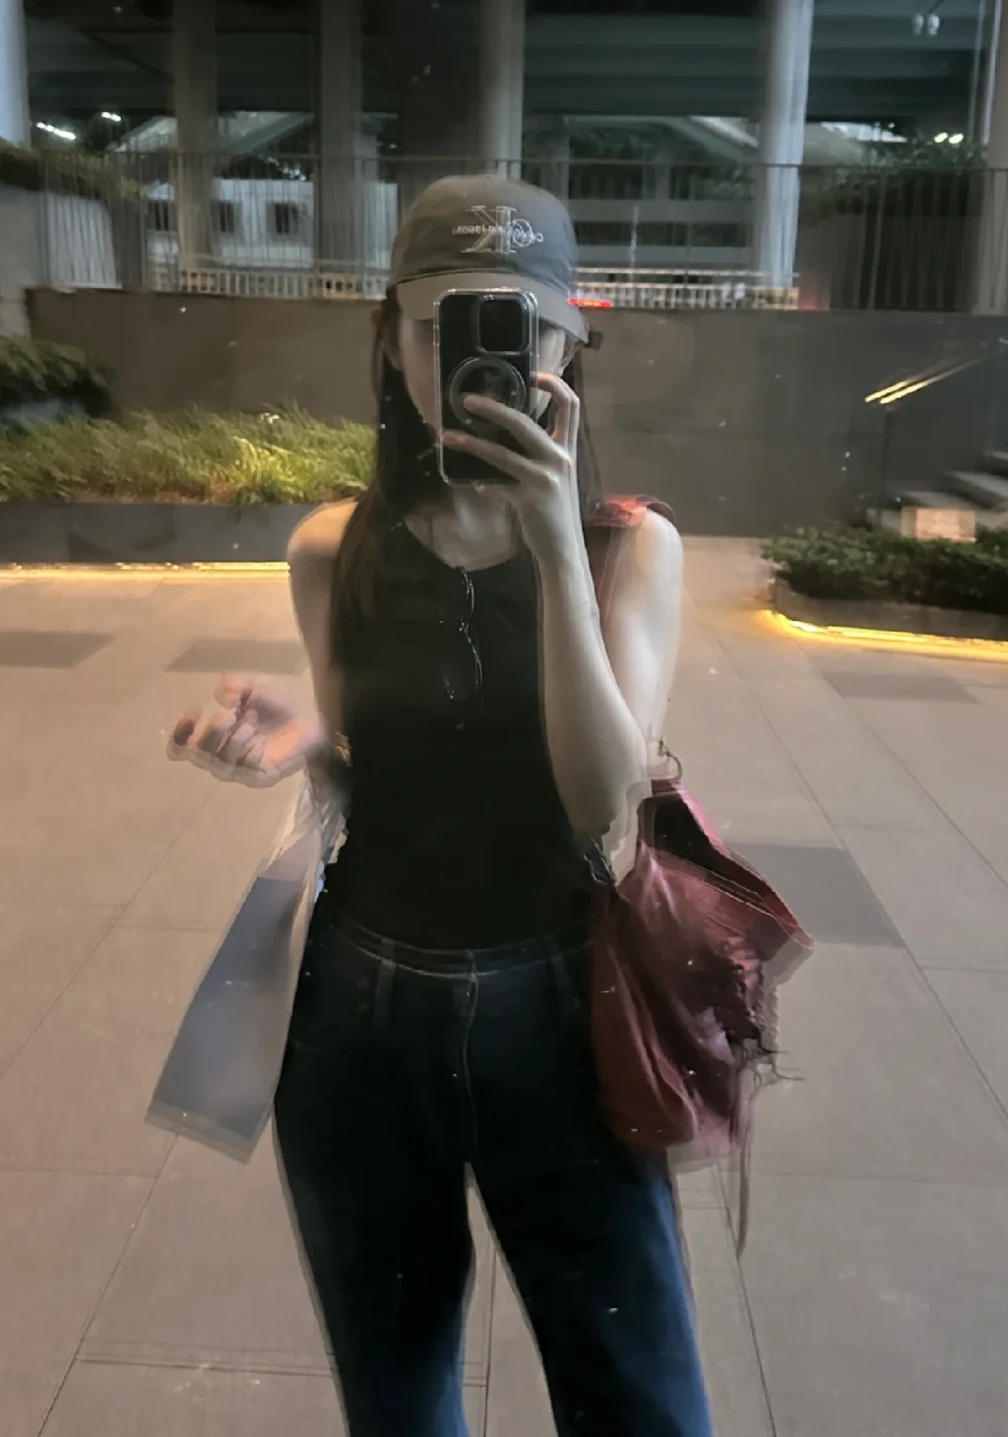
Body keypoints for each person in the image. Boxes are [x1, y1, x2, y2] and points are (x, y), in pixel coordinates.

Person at [170, 175, 713, 1437]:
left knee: (641, 1400)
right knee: (398, 1393)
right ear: (391, 340)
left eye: (519, 325)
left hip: (563, 1011)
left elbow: (602, 801)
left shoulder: (631, 547)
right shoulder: (334, 545)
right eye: (442, 323)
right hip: (361, 1017)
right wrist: (311, 743)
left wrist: (554, 545)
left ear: (570, 346)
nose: (477, 356)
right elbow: (369, 764)